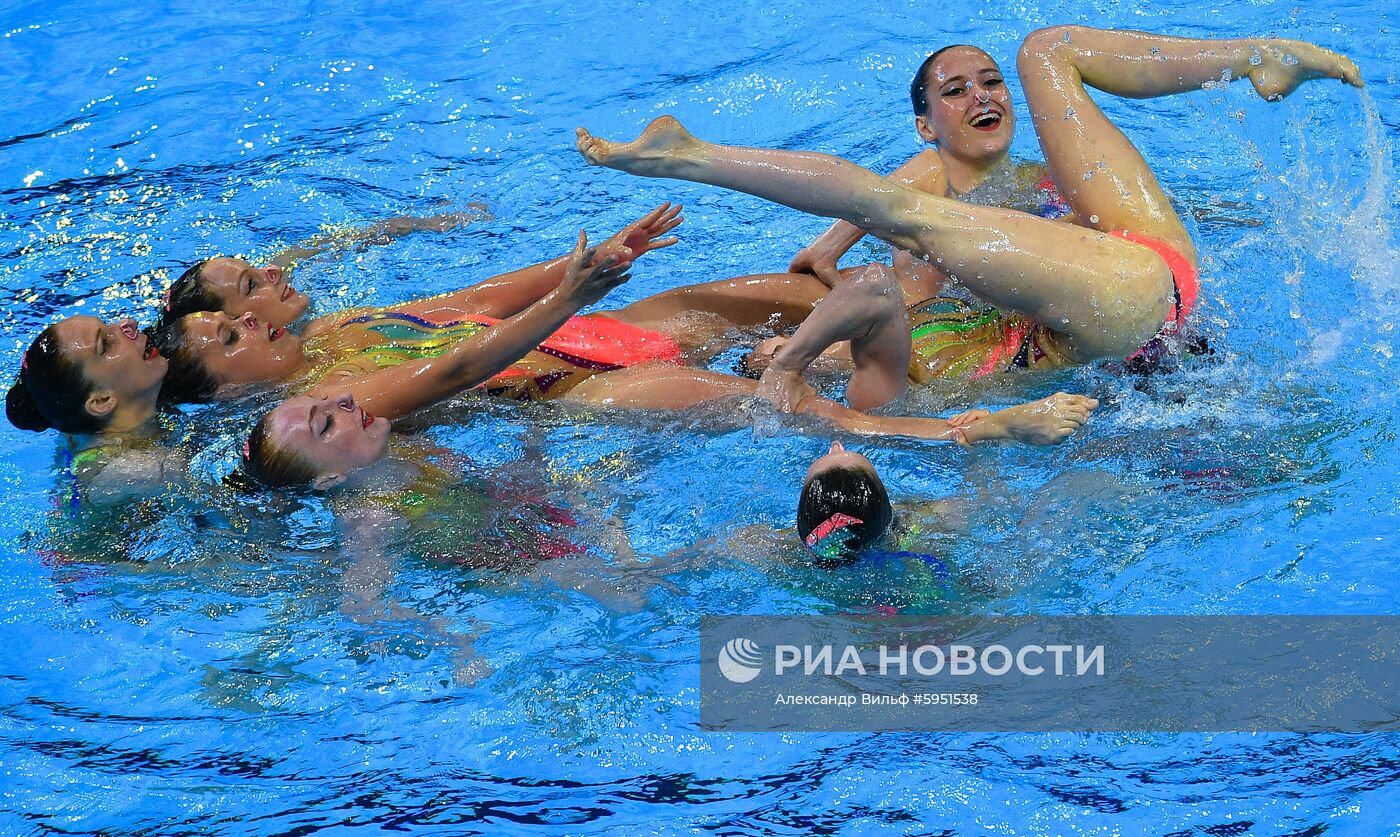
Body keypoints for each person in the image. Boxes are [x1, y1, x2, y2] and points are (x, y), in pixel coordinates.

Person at [577, 27, 1362, 376]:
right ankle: (691, 156)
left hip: (1142, 280)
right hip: (1124, 301)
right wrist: (826, 330)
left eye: (987, 84)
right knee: (906, 213)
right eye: (956, 92)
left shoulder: (1032, 177)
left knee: (1046, 50)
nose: (983, 97)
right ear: (927, 122)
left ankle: (1259, 57)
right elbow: (823, 258)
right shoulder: (926, 175)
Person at [239, 232, 1098, 489]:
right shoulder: (340, 405)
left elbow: (483, 303)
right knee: (784, 404)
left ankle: (928, 334)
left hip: (587, 338)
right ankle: (970, 425)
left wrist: (590, 269)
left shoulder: (346, 333)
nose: (255, 305)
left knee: (819, 297)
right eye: (231, 327)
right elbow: (465, 366)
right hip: (583, 388)